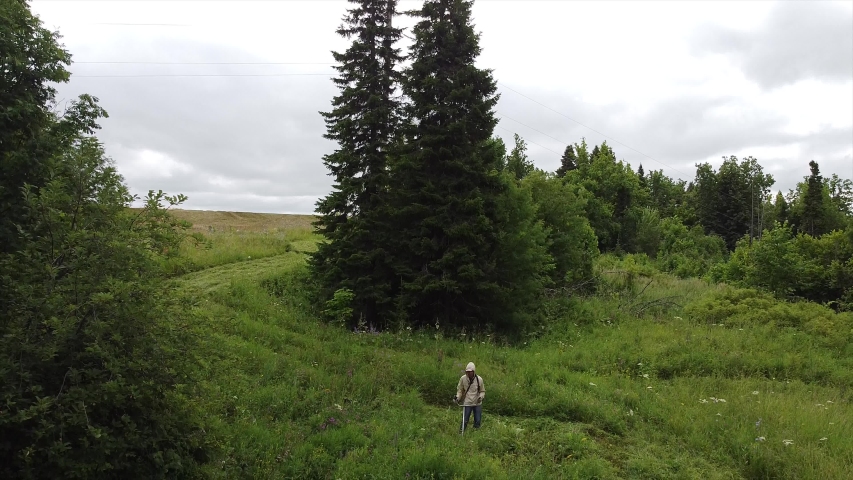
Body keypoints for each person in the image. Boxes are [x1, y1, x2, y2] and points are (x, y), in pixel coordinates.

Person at [454, 362, 485, 431]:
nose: (469, 373)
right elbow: (460, 390)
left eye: (470, 372)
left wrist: (481, 397)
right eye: (467, 372)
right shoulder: (463, 379)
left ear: (473, 371)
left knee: (477, 421)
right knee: (465, 420)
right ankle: (461, 432)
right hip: (467, 402)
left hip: (477, 403)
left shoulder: (479, 379)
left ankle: (475, 434)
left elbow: (482, 391)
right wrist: (457, 397)